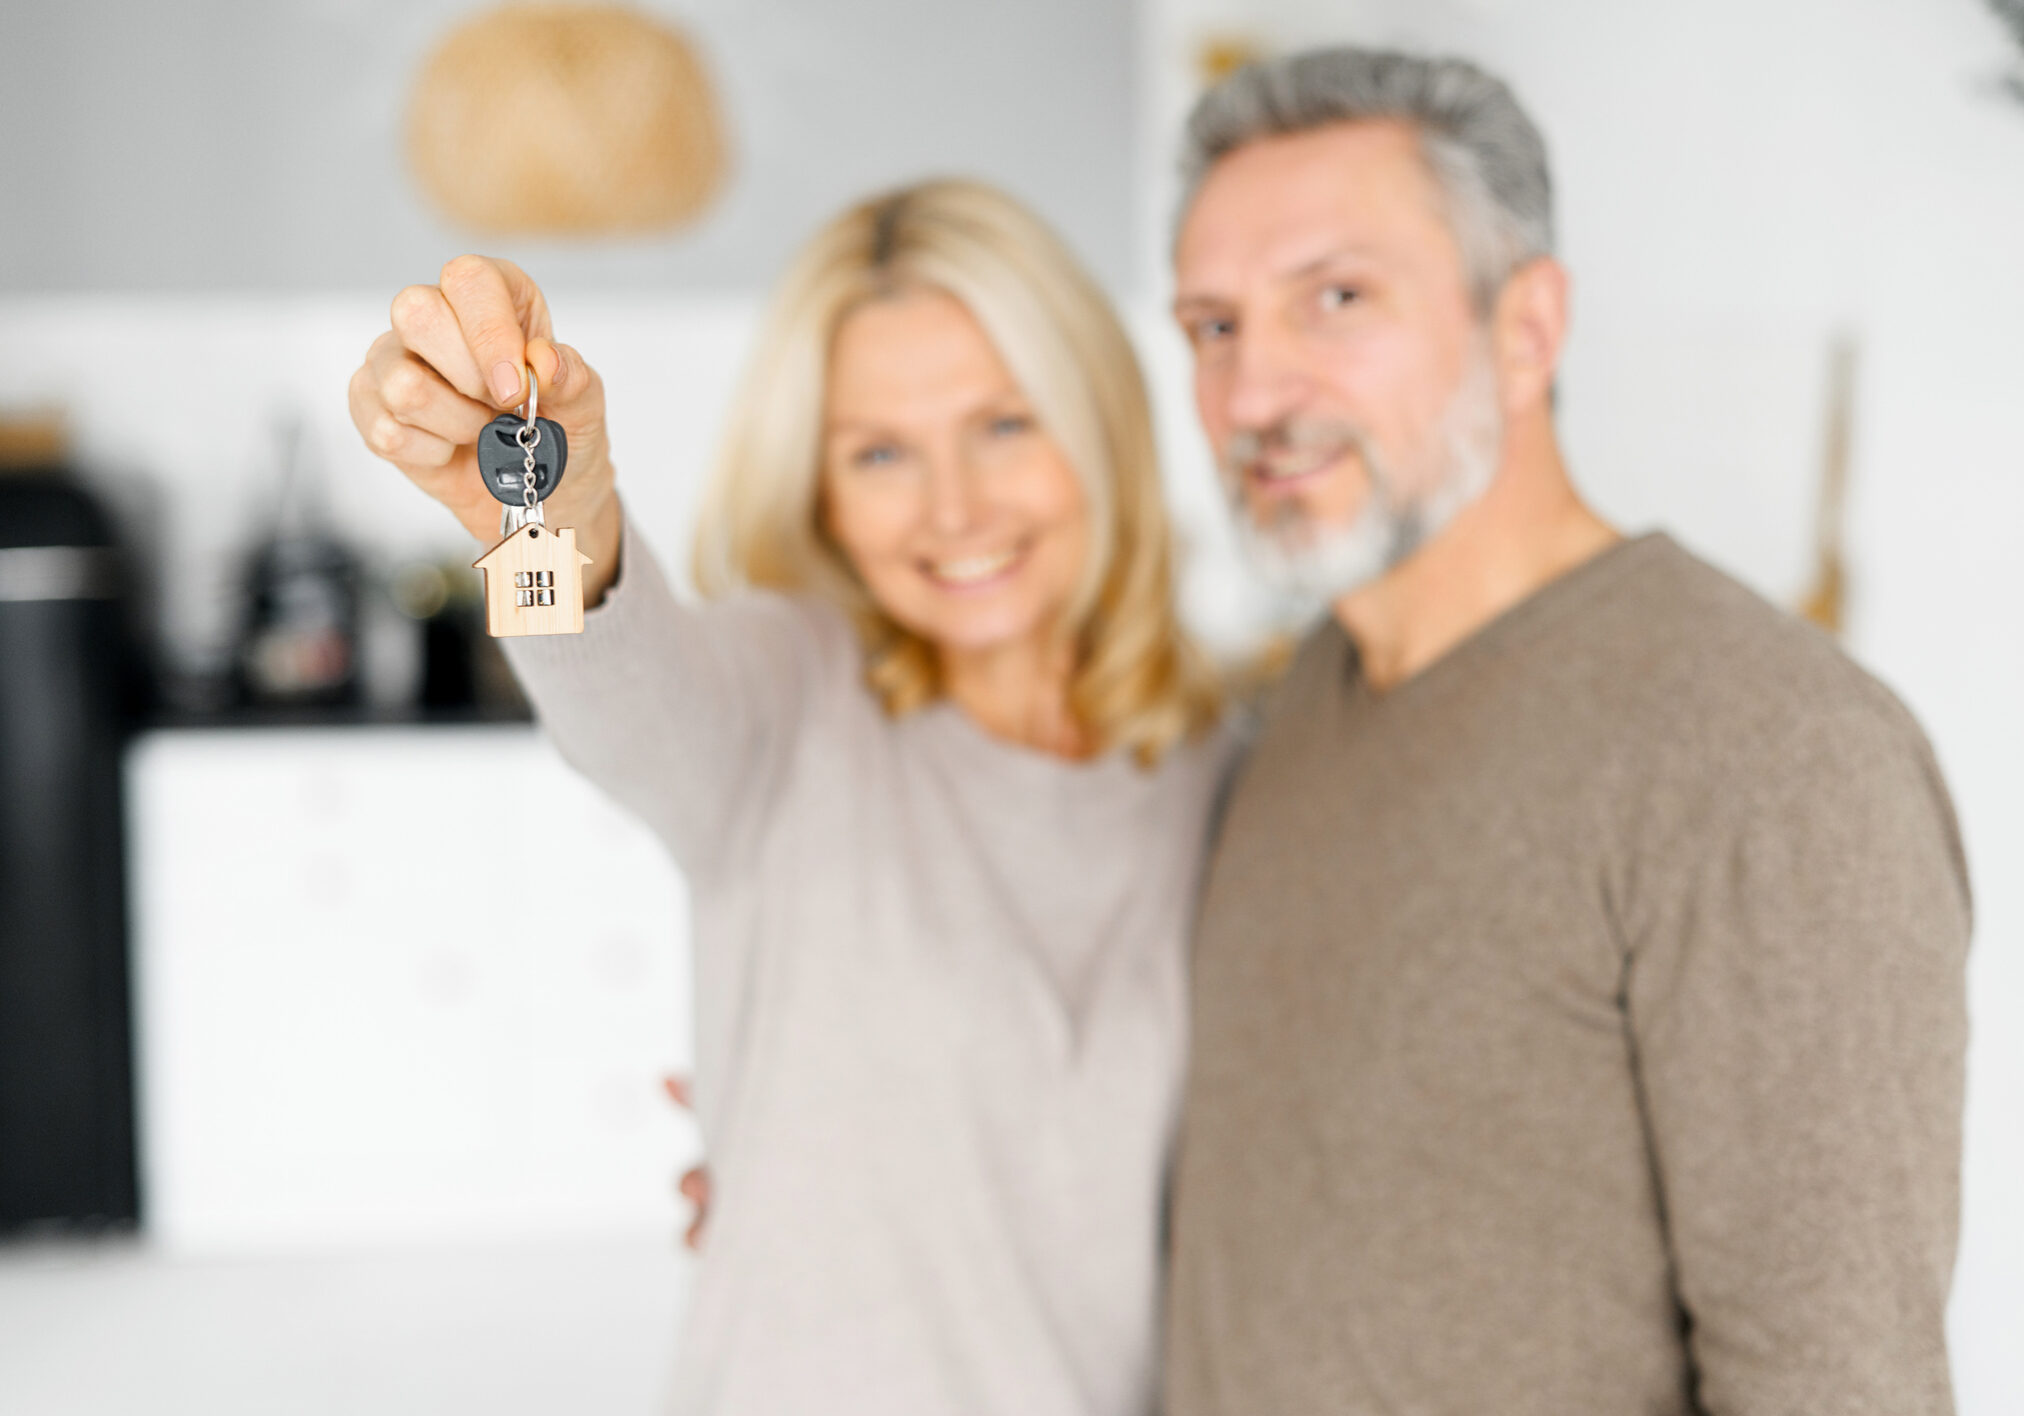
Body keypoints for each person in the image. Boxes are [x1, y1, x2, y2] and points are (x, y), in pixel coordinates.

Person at [1159, 47, 1971, 1415]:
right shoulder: (1306, 702)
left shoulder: (1768, 753)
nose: (1250, 395)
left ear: (1526, 330)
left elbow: (1840, 1383)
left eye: (1336, 300)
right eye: (1212, 326)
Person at [346, 179, 1230, 1416]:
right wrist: (536, 509)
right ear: (818, 490)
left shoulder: (1222, 767)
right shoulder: (791, 704)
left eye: (1004, 425)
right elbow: (610, 678)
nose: (955, 508)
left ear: (1100, 423)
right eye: (879, 452)